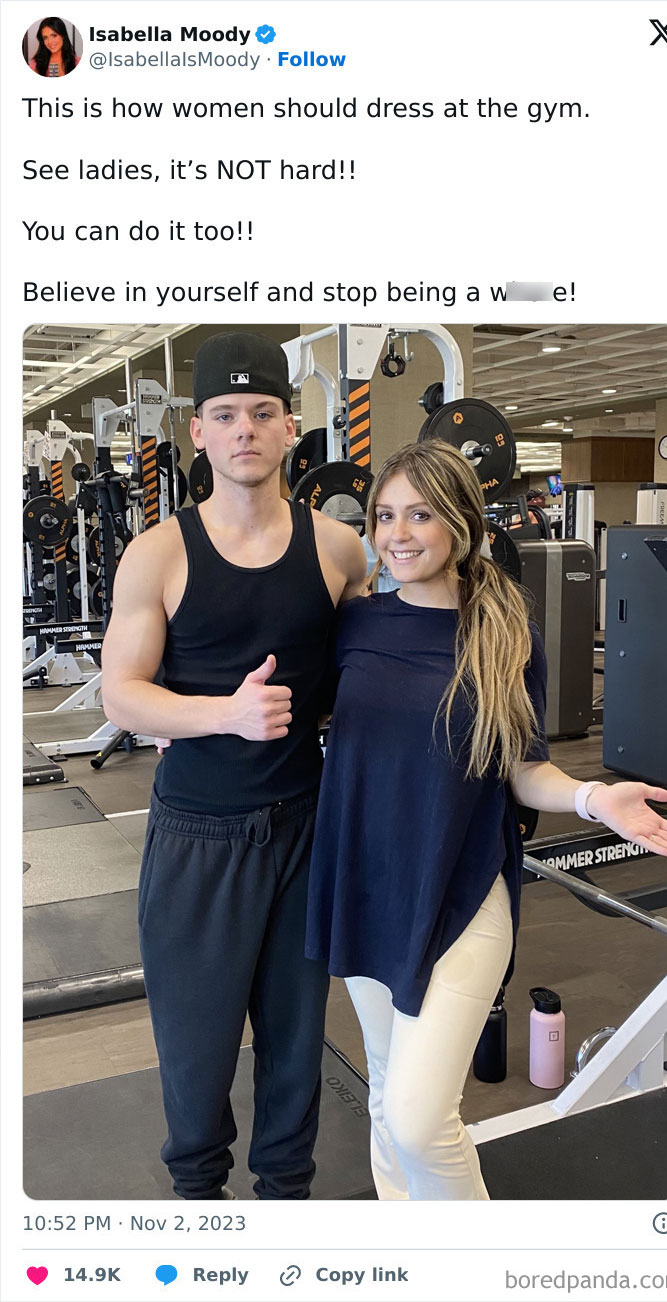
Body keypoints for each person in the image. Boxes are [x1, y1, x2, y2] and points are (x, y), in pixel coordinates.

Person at [305, 438, 667, 1202]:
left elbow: (523, 768)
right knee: (386, 1094)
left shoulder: (502, 635)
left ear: (461, 523)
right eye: (385, 515)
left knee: (419, 1121)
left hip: (463, 890)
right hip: (365, 887)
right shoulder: (354, 624)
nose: (398, 533)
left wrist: (592, 797)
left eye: (420, 514)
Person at [102, 332, 367, 1200]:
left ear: (291, 427)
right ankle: (200, 1208)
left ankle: (285, 1204)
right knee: (196, 1053)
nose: (244, 429)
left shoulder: (340, 550)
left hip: (303, 830)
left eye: (261, 412)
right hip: (198, 838)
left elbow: (366, 673)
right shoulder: (159, 553)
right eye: (224, 414)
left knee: (296, 1049)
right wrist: (224, 714)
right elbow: (122, 695)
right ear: (199, 432)